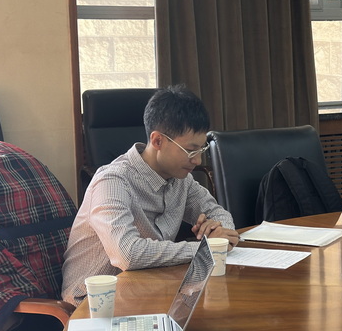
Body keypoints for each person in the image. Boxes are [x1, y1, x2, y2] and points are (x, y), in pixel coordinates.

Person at [61, 85, 238, 306]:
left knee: (220, 308)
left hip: (145, 291)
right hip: (93, 304)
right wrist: (207, 249)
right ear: (157, 141)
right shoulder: (112, 181)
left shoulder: (181, 180)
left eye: (201, 150)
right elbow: (128, 254)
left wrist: (218, 232)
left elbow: (219, 214)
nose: (197, 160)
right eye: (190, 150)